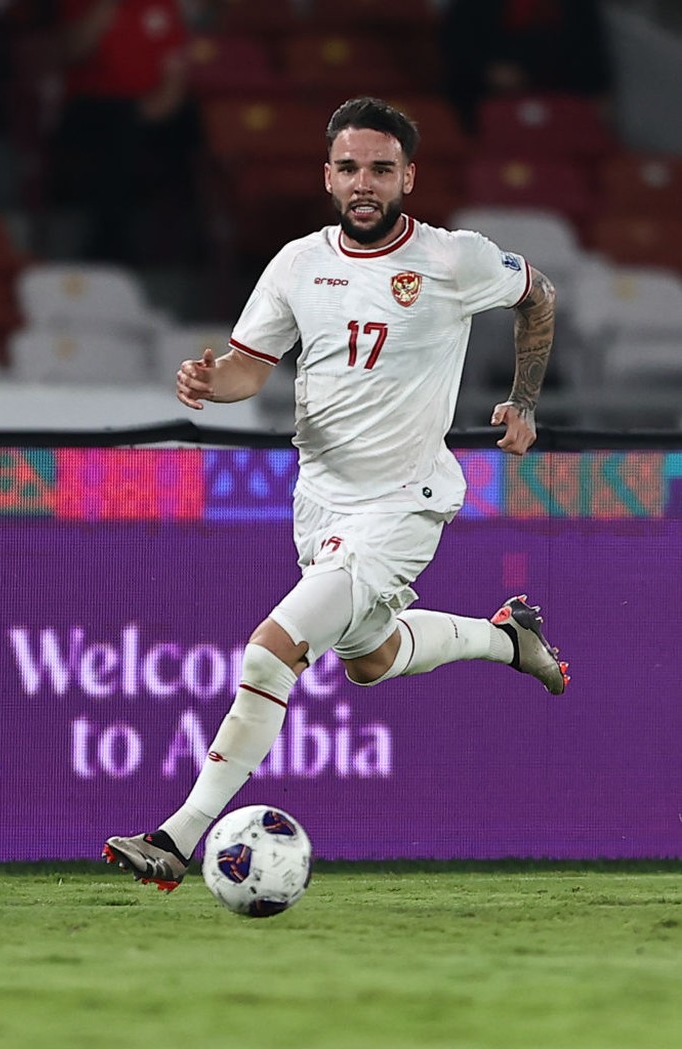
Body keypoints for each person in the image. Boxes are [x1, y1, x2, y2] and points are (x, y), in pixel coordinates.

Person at [103, 96, 570, 891]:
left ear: (408, 178)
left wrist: (523, 401)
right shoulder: (296, 264)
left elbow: (540, 295)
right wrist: (210, 383)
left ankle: (177, 835)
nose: (364, 183)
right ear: (327, 176)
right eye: (350, 168)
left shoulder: (452, 259)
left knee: (270, 649)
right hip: (319, 504)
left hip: (403, 504)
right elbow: (248, 368)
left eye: (381, 170)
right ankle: (508, 638)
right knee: (372, 660)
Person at [51, 0, 204, 263]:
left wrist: (144, 113)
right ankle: (109, 245)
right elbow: (71, 52)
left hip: (145, 110)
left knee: (191, 124)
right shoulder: (83, 5)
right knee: (117, 129)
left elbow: (174, 80)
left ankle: (196, 248)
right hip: (91, 108)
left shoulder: (163, 6)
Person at [440, 0, 613, 133]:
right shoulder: (473, 6)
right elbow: (457, 43)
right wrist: (487, 70)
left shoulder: (577, 6)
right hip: (485, 105)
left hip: (561, 105)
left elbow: (591, 62)